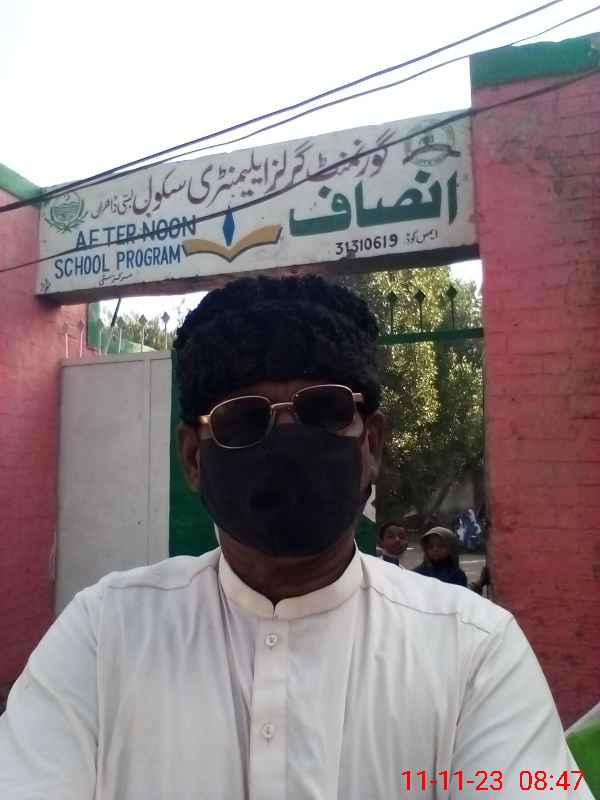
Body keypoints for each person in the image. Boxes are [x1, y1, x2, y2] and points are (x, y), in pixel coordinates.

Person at [0, 275, 591, 799]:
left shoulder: (476, 650)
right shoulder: (102, 635)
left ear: (371, 444)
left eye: (323, 411)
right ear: (193, 458)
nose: (286, 442)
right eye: (243, 418)